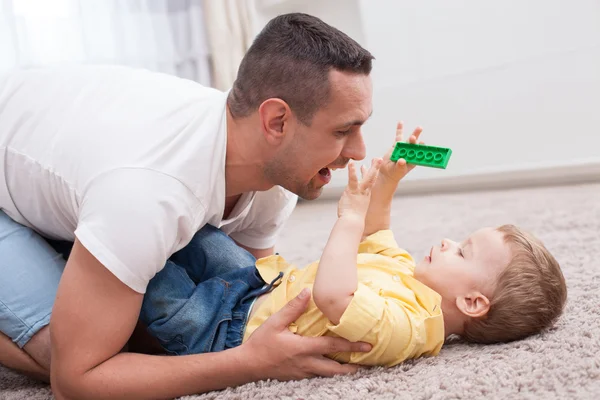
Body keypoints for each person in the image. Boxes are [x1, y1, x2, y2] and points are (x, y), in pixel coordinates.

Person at [0, 12, 376, 399]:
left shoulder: (274, 177)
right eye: (343, 131)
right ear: (276, 121)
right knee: (70, 354)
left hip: (57, 155)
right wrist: (251, 363)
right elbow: (75, 382)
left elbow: (240, 309)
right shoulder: (147, 193)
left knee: (154, 339)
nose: (358, 151)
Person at [139, 123, 568, 366]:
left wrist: (349, 217)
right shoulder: (410, 279)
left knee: (147, 266)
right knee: (195, 234)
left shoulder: (406, 328)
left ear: (474, 303)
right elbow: (377, 234)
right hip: (261, 284)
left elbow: (333, 296)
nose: (447, 241)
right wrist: (387, 182)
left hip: (226, 330)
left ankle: (85, 246)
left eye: (463, 251)